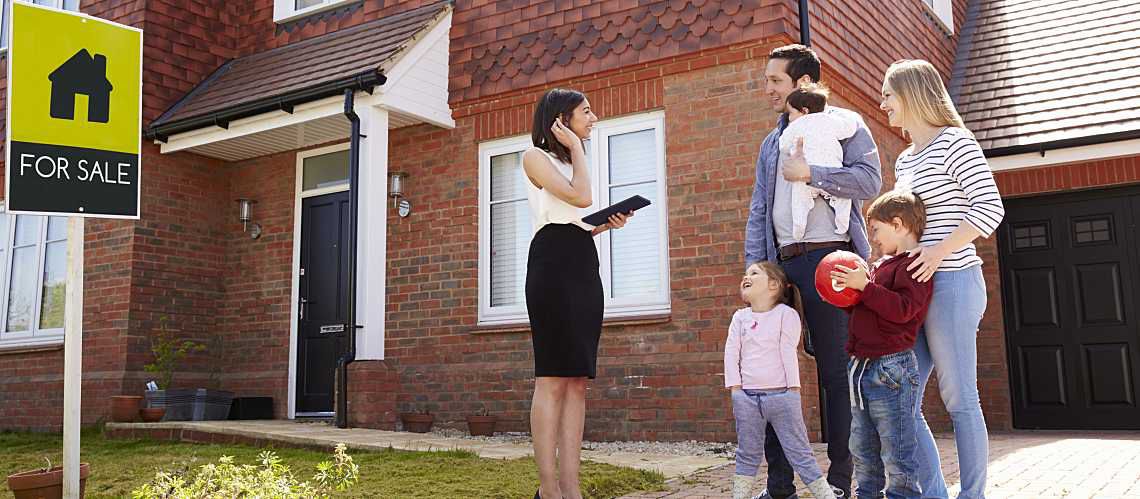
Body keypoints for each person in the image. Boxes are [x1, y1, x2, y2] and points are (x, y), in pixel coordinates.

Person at [746, 43, 884, 498]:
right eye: (766, 79)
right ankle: (780, 485)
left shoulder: (845, 125)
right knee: (772, 374)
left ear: (802, 83)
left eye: (774, 81)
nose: (766, 88)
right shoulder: (770, 142)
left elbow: (870, 180)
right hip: (781, 265)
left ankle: (843, 479)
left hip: (831, 258)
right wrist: (756, 268)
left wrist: (813, 173)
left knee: (835, 372)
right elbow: (759, 209)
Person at [879, 59, 1005, 498]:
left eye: (888, 95)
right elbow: (907, 228)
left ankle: (972, 495)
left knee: (959, 398)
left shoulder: (957, 142)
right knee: (901, 402)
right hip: (915, 290)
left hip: (953, 282)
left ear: (911, 94)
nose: (883, 105)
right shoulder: (905, 160)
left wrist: (935, 252)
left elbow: (989, 210)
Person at [522, 88, 632, 499]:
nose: (594, 118)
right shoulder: (535, 156)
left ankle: (573, 489)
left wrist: (604, 225)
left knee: (577, 380)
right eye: (586, 112)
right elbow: (580, 197)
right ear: (561, 120)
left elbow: (579, 217)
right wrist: (577, 148)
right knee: (551, 377)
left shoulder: (572, 161)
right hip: (551, 265)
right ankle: (548, 489)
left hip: (582, 261)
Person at [831, 190, 933, 498]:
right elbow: (866, 308)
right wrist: (849, 294)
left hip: (892, 368)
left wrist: (865, 288)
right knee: (861, 443)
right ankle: (867, 493)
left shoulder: (914, 265)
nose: (872, 238)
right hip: (860, 366)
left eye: (876, 230)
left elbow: (903, 310)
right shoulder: (880, 266)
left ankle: (903, 494)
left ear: (898, 224)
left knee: (896, 445)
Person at [725, 261, 839, 499]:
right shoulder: (739, 318)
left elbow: (788, 352)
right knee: (747, 454)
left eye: (754, 273)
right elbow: (731, 352)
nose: (746, 277)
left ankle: (826, 496)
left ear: (774, 285)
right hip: (747, 399)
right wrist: (735, 389)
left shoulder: (786, 315)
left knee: (800, 454)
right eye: (746, 274)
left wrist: (793, 391)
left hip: (782, 397)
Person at [779, 83, 859, 241]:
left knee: (799, 202)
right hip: (832, 173)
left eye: (791, 113)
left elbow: (783, 144)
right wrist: (848, 116)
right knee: (843, 200)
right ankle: (842, 224)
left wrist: (791, 147)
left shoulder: (796, 125)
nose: (789, 118)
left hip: (805, 176)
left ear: (804, 111)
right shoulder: (830, 120)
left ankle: (798, 229)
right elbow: (850, 127)